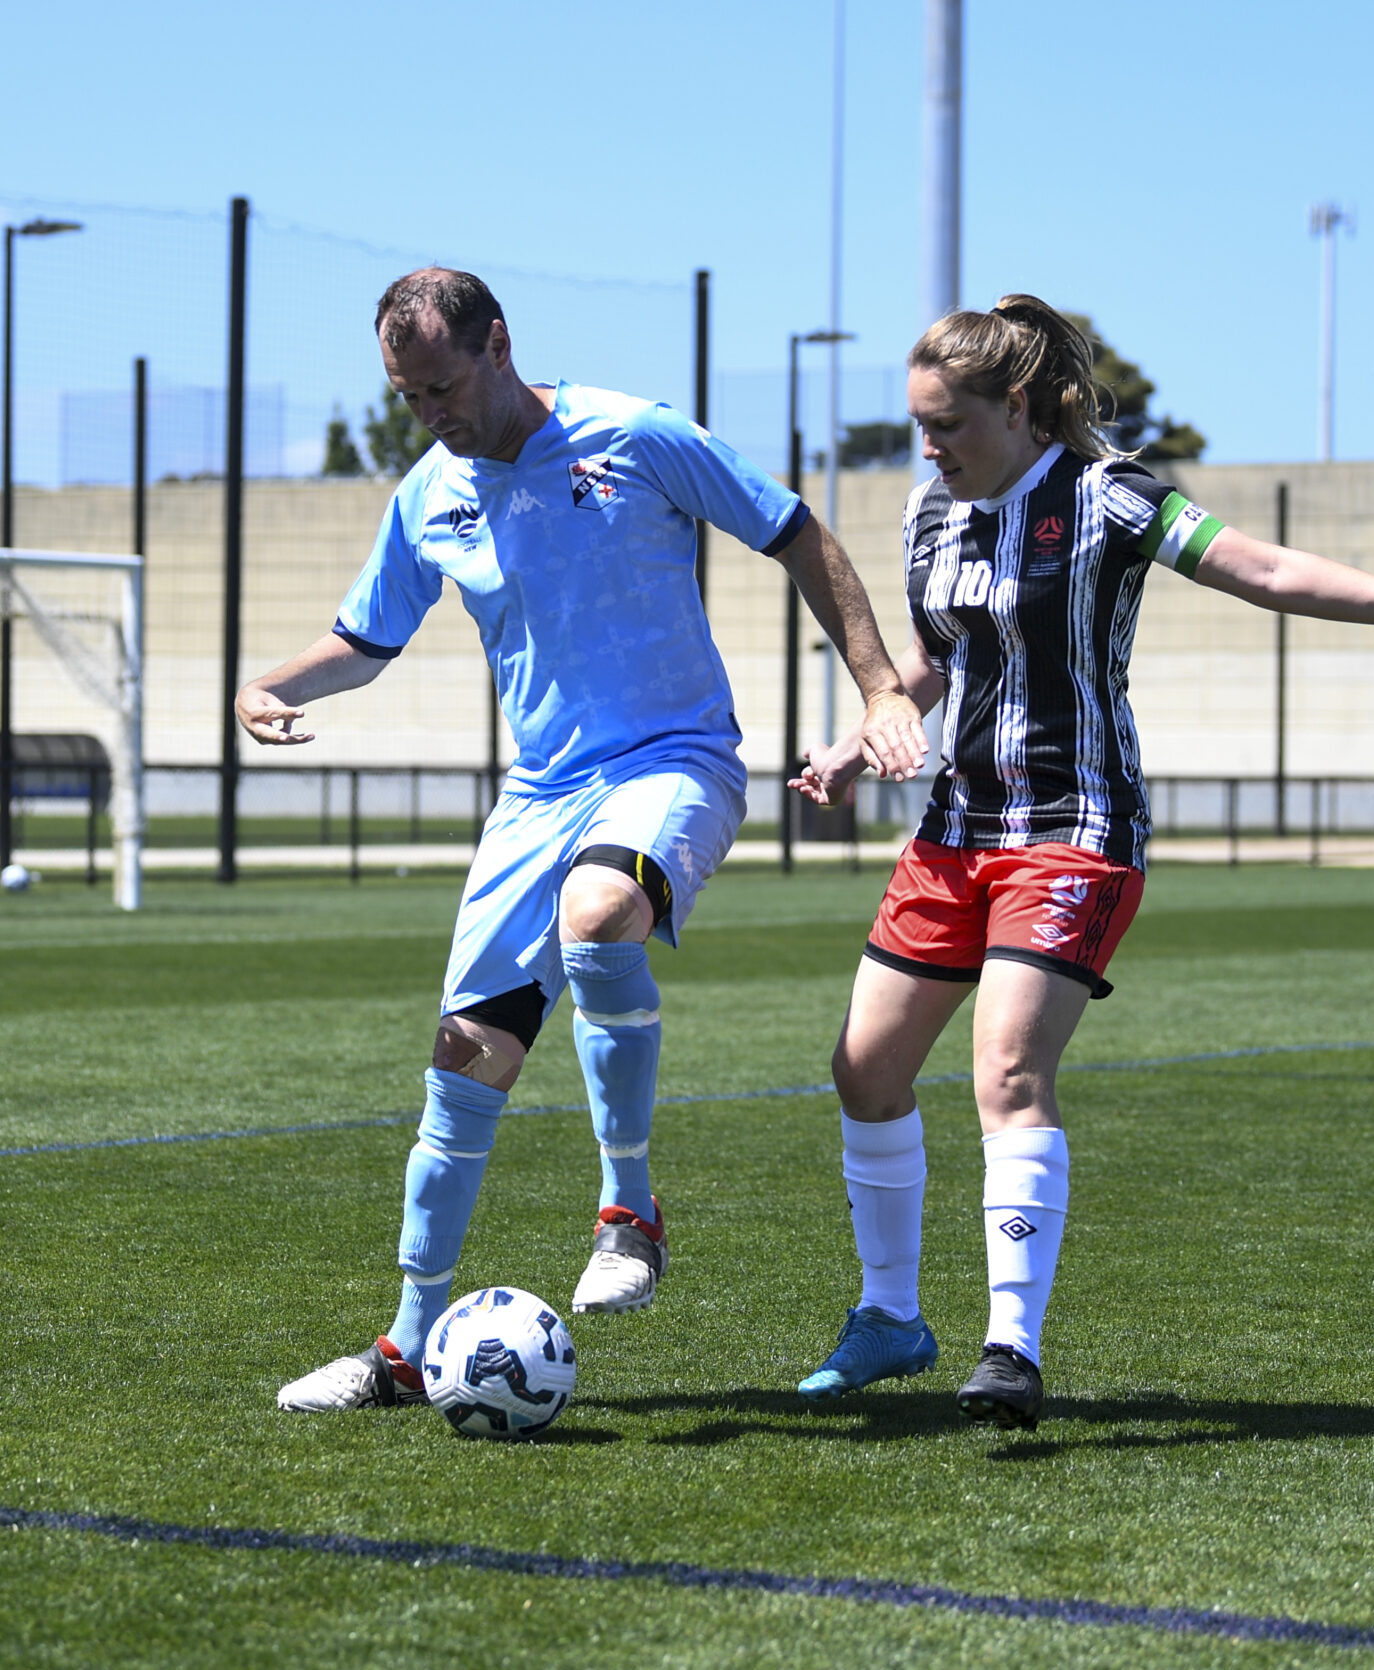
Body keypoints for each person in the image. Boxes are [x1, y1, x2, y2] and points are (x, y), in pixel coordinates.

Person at [788, 295, 1374, 1430]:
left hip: (1074, 827)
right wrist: (854, 743)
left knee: (1006, 1073)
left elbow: (1263, 571)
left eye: (946, 424)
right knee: (864, 1073)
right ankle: (890, 1317)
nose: (927, 447)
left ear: (1020, 406)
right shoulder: (928, 513)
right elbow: (943, 661)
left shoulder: (1107, 497)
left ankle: (1009, 1349)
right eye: (916, 427)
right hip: (954, 830)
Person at [259, 268, 926, 1413]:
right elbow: (365, 640)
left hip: (673, 762)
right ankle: (406, 1350)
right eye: (409, 397)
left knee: (599, 911)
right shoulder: (429, 495)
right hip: (536, 800)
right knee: (463, 1066)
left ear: (499, 344)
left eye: (442, 387)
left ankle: (629, 1213)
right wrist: (266, 686)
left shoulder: (636, 436)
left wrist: (877, 689)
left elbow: (798, 533)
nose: (432, 415)